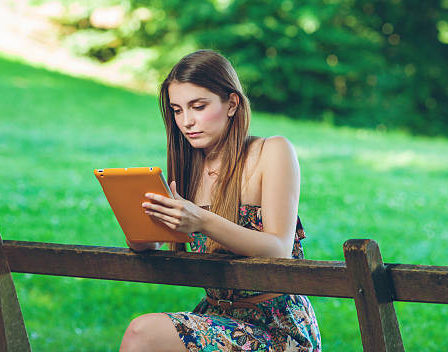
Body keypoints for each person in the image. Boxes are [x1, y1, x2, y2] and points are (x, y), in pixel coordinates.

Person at [120, 50, 321, 352]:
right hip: (216, 318)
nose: (186, 121)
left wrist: (201, 220)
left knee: (142, 333)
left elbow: (279, 248)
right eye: (177, 110)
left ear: (231, 103)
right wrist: (144, 235)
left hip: (276, 330)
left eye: (198, 107)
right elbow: (159, 244)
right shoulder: (188, 169)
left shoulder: (271, 152)